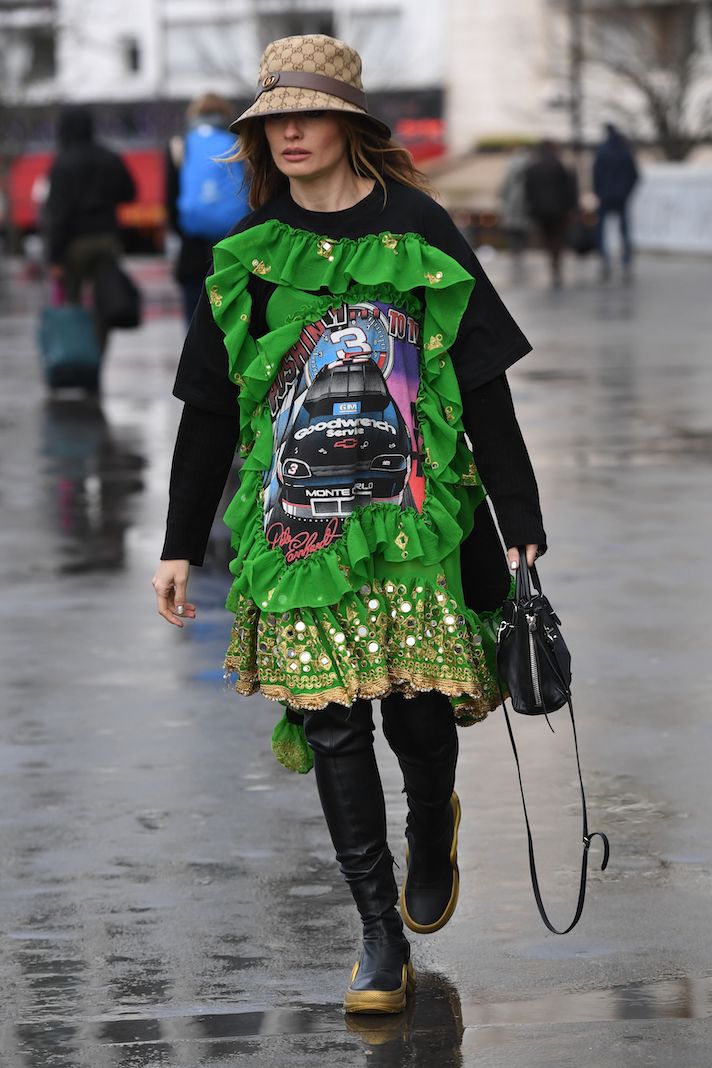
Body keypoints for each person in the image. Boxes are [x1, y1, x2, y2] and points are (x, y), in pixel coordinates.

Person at [152, 34, 546, 1016]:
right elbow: (209, 408)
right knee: (333, 726)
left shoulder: (417, 227)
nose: (286, 130)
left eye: (305, 112)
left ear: (349, 124)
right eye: (270, 118)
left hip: (413, 523)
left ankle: (429, 822)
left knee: (415, 710)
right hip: (297, 529)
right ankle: (376, 937)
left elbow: (480, 380)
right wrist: (175, 541)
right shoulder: (245, 255)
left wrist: (518, 517)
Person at [45, 106, 136, 355]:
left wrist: (54, 257)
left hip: (74, 244)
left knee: (73, 303)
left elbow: (58, 214)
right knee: (103, 301)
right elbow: (130, 192)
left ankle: (75, 355)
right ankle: (98, 353)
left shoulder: (62, 163)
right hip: (106, 239)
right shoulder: (109, 157)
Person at [166, 93, 251, 323]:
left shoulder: (180, 145)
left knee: (195, 322)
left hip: (192, 253)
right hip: (235, 247)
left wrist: (186, 231)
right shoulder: (240, 143)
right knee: (234, 321)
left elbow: (171, 201)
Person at [523, 140, 578, 289]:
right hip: (558, 210)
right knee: (557, 238)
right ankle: (556, 264)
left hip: (540, 211)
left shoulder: (532, 168)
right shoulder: (558, 166)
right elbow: (568, 189)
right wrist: (571, 208)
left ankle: (552, 264)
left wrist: (531, 209)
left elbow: (528, 191)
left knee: (547, 238)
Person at [593, 123, 639, 282]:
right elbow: (635, 176)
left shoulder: (602, 151)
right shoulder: (625, 151)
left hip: (605, 197)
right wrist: (626, 193)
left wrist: (599, 193)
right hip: (621, 198)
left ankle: (605, 261)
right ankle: (626, 262)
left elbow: (596, 175)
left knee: (602, 231)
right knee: (624, 232)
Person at [498, 147, 532, 280]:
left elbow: (504, 188)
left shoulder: (510, 167)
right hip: (524, 204)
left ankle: (515, 251)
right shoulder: (529, 166)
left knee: (513, 229)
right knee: (522, 228)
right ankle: (520, 250)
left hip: (512, 204)